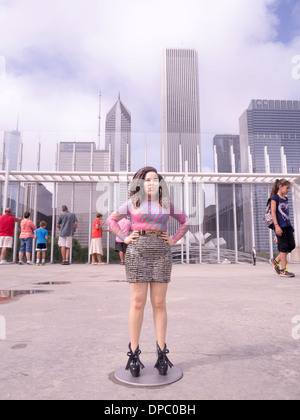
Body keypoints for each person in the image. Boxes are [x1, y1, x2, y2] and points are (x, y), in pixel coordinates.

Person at [106, 166, 189, 378]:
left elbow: (185, 222)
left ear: (160, 184)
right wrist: (124, 238)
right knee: (137, 302)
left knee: (159, 303)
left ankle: (162, 352)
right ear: (140, 184)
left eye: (154, 179)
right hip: (137, 252)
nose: (150, 182)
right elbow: (111, 220)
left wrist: (173, 240)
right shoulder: (133, 203)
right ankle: (133, 353)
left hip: (161, 252)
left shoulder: (166, 204)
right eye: (146, 179)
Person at [269, 178, 295, 277]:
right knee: (283, 247)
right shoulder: (275, 198)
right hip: (280, 226)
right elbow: (273, 212)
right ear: (280, 187)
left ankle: (275, 261)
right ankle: (284, 270)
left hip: (287, 225)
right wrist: (276, 226)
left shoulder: (285, 198)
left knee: (291, 245)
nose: (288, 190)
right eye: (287, 188)